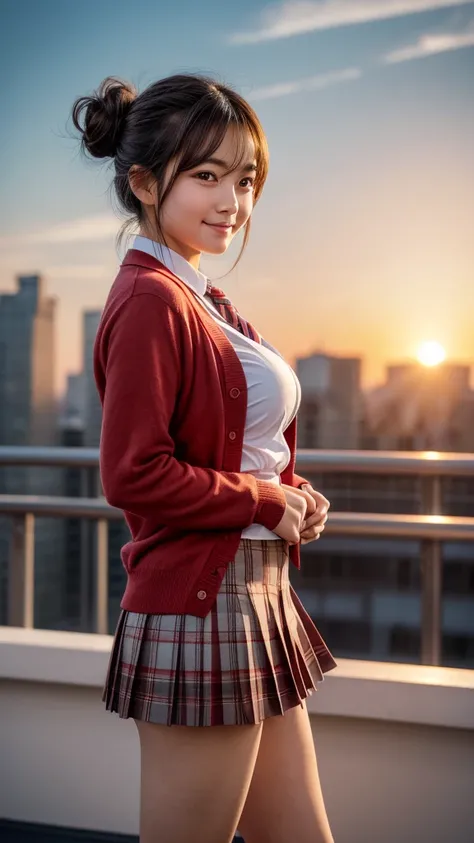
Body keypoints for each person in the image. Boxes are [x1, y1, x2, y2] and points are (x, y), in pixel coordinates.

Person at [71, 73, 337, 843]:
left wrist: (291, 494)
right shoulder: (154, 300)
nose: (232, 201)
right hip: (203, 604)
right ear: (146, 182)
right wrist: (260, 501)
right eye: (206, 175)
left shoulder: (207, 300)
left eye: (245, 179)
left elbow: (233, 446)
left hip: (255, 596)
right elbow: (133, 472)